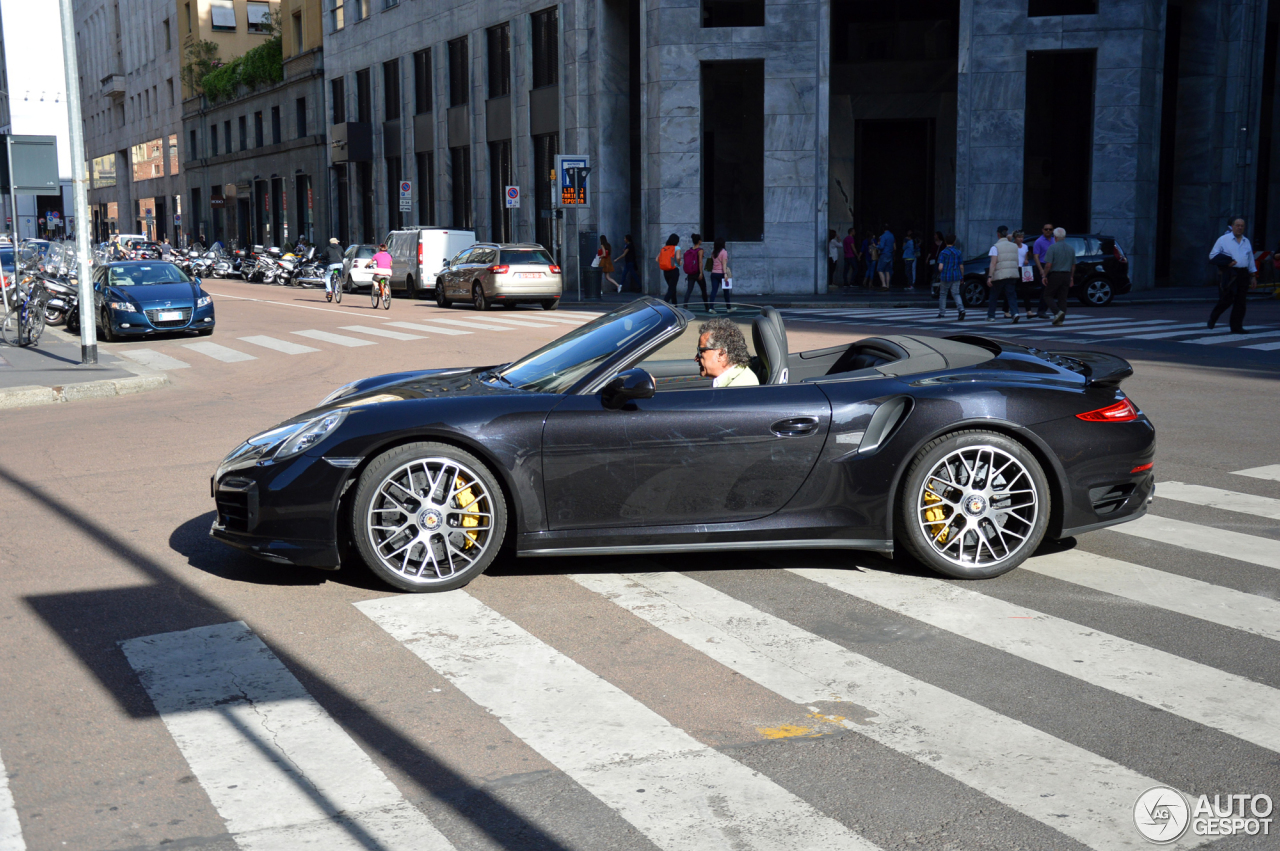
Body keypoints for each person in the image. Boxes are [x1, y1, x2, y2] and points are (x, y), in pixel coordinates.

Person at [1208, 216, 1257, 334]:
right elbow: (1212, 256)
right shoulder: (1223, 239)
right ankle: (1214, 316)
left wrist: (1253, 276)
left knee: (1241, 301)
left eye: (1242, 226)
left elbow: (1250, 260)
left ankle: (1236, 327)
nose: (1240, 228)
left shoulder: (1246, 241)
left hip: (1243, 273)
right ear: (1232, 227)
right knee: (1227, 299)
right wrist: (1227, 262)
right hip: (1230, 273)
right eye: (1237, 225)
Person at [695, 317, 759, 387]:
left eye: (700, 351)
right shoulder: (729, 380)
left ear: (721, 354)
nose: (696, 358)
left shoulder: (740, 386)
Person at [1041, 227, 1076, 326]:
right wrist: (1071, 277)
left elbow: (1048, 264)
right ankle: (1060, 319)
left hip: (1055, 274)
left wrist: (1044, 275)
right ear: (1064, 237)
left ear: (1055, 237)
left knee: (1047, 295)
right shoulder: (1071, 248)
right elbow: (1073, 265)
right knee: (1063, 298)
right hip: (1067, 275)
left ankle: (1057, 312)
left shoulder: (1052, 248)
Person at [986, 225, 1020, 323]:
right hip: (1012, 274)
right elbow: (1016, 261)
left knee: (994, 296)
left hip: (999, 274)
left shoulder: (995, 247)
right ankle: (1015, 313)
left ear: (998, 235)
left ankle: (991, 316)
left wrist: (990, 276)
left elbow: (993, 263)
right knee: (1011, 295)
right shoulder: (1014, 246)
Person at [936, 233, 965, 320]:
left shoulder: (943, 252)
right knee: (956, 293)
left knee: (943, 294)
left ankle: (942, 313)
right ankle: (961, 309)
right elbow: (961, 266)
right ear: (954, 242)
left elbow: (940, 267)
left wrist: (940, 271)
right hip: (956, 276)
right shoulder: (958, 252)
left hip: (945, 276)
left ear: (945, 241)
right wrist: (962, 277)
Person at [683, 232, 708, 310]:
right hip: (697, 272)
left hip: (690, 273)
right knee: (703, 289)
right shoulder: (700, 250)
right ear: (699, 241)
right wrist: (701, 273)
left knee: (689, 290)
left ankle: (685, 305)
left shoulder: (689, 250)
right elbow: (700, 262)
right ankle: (707, 306)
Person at [656, 233, 681, 304]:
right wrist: (679, 263)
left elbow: (657, 259)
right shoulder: (676, 248)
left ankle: (675, 306)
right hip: (674, 270)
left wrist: (666, 262)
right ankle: (663, 304)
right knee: (671, 290)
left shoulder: (664, 248)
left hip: (665, 271)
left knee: (672, 289)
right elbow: (678, 258)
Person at [709, 237, 730, 308]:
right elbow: (724, 264)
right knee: (726, 291)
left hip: (714, 274)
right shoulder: (724, 252)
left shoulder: (713, 252)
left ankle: (711, 307)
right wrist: (725, 274)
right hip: (721, 274)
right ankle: (728, 307)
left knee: (714, 291)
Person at [877, 224, 895, 288]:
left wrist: (876, 246)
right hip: (890, 254)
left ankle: (883, 284)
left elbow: (881, 246)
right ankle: (887, 285)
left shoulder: (883, 236)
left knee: (880, 269)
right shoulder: (892, 235)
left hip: (884, 254)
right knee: (888, 271)